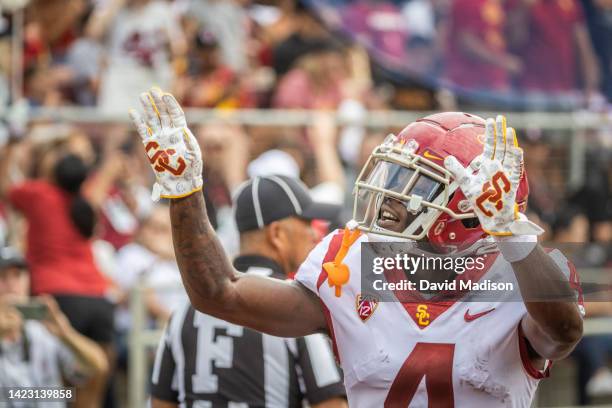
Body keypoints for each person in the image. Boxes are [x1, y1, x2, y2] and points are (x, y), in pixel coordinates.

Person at [129, 88, 583, 407]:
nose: (391, 198)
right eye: (395, 177)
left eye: (416, 185)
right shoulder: (351, 260)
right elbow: (219, 292)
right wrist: (183, 190)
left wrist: (510, 232)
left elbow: (563, 333)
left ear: (470, 210)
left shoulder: (524, 273)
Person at [150, 175, 346, 407]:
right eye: (306, 223)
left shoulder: (184, 309)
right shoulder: (294, 307)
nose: (315, 234)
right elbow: (330, 404)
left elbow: (160, 402)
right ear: (277, 234)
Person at [0, 247, 108, 406]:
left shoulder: (44, 329)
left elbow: (98, 366)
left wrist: (65, 333)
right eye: (2, 277)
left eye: (18, 275)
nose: (11, 285)